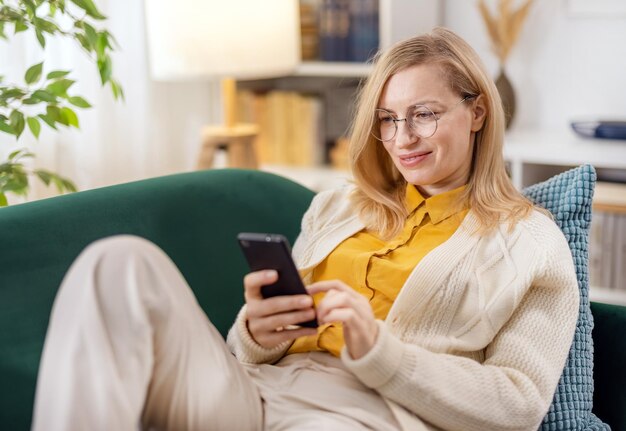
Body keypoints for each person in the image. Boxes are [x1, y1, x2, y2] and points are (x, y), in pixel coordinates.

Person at [32, 27, 579, 431]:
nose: (404, 137)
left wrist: (379, 349)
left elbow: (518, 404)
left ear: (478, 111)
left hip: (365, 416)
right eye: (388, 119)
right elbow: (247, 352)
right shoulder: (336, 207)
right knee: (119, 263)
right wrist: (257, 333)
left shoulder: (531, 242)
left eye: (425, 114)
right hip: (251, 395)